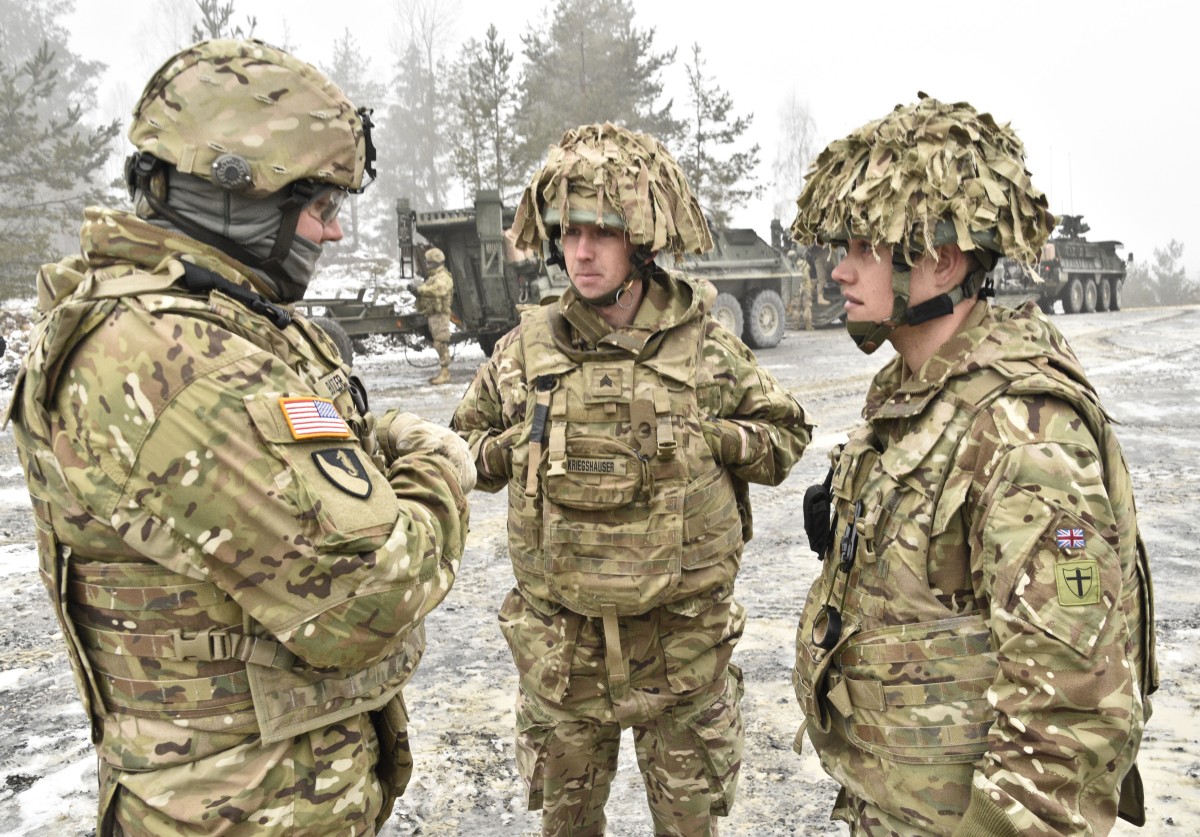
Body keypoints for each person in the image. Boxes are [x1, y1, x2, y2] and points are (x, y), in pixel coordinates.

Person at [6, 38, 474, 836]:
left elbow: (319, 463)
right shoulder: (173, 360)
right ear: (237, 194)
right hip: (241, 811)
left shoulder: (209, 319)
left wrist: (374, 440)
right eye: (319, 208)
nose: (329, 234)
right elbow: (370, 597)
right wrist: (437, 471)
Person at [789, 94, 1157, 836]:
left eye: (863, 248)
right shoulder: (915, 396)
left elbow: (1070, 714)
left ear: (941, 262)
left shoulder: (1023, 435)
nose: (840, 272)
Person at [451, 122, 812, 837]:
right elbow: (466, 449)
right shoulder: (525, 353)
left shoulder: (704, 346)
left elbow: (786, 435)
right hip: (564, 663)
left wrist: (713, 440)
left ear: (640, 238)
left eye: (602, 232)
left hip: (679, 661)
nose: (580, 252)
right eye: (567, 231)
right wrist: (523, 448)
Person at [413, 245, 456, 384]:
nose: (427, 265)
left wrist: (420, 290)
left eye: (429, 262)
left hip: (440, 315)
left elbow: (439, 289)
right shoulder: (434, 277)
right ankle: (443, 372)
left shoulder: (443, 277)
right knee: (438, 343)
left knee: (440, 343)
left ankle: (445, 373)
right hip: (433, 315)